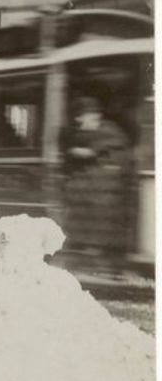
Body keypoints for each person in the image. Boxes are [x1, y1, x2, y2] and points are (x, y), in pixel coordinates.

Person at [62, 94, 133, 263]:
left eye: (84, 116)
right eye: (79, 117)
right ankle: (86, 248)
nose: (80, 121)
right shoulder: (80, 133)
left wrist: (92, 154)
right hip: (88, 187)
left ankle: (98, 250)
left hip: (107, 187)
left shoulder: (110, 131)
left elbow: (117, 157)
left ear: (95, 115)